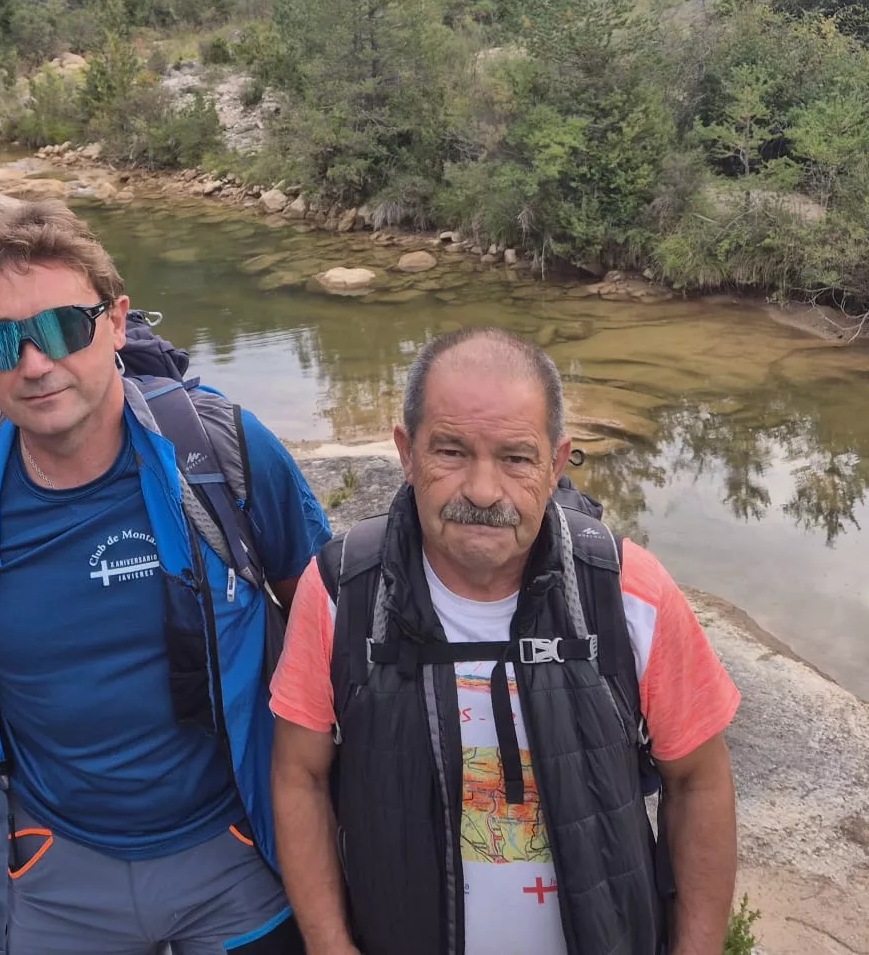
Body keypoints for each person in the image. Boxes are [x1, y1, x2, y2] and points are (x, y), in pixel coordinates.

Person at [0, 199, 331, 954]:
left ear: (116, 321)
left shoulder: (220, 450)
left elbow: (325, 629)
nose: (35, 364)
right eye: (0, 341)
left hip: (236, 854)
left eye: (62, 329)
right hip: (57, 869)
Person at [269, 328, 741, 955]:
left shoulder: (627, 592)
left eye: (516, 458)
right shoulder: (342, 592)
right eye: (451, 451)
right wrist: (331, 945)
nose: (483, 491)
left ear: (556, 463)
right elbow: (299, 776)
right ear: (406, 453)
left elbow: (698, 782)